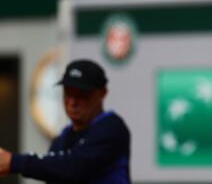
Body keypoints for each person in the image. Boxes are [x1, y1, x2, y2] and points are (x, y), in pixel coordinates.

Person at [0, 59, 131, 183]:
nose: (72, 102)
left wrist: (15, 162)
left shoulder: (111, 128)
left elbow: (76, 167)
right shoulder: (61, 139)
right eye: (68, 93)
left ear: (102, 93)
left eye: (81, 94)